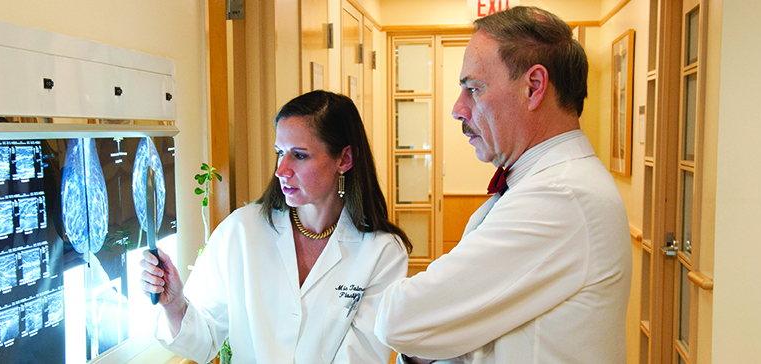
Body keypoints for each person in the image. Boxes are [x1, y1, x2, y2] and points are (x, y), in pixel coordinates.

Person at [373, 6, 631, 364]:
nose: (458, 110)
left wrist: (431, 334)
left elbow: (397, 320)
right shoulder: (544, 182)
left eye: (474, 89)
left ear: (533, 87)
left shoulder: (559, 197)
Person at [140, 90, 412, 364]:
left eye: (300, 155)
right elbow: (203, 343)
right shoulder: (241, 231)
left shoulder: (382, 252)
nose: (281, 170)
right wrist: (174, 305)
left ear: (344, 159)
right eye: (280, 153)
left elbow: (362, 357)